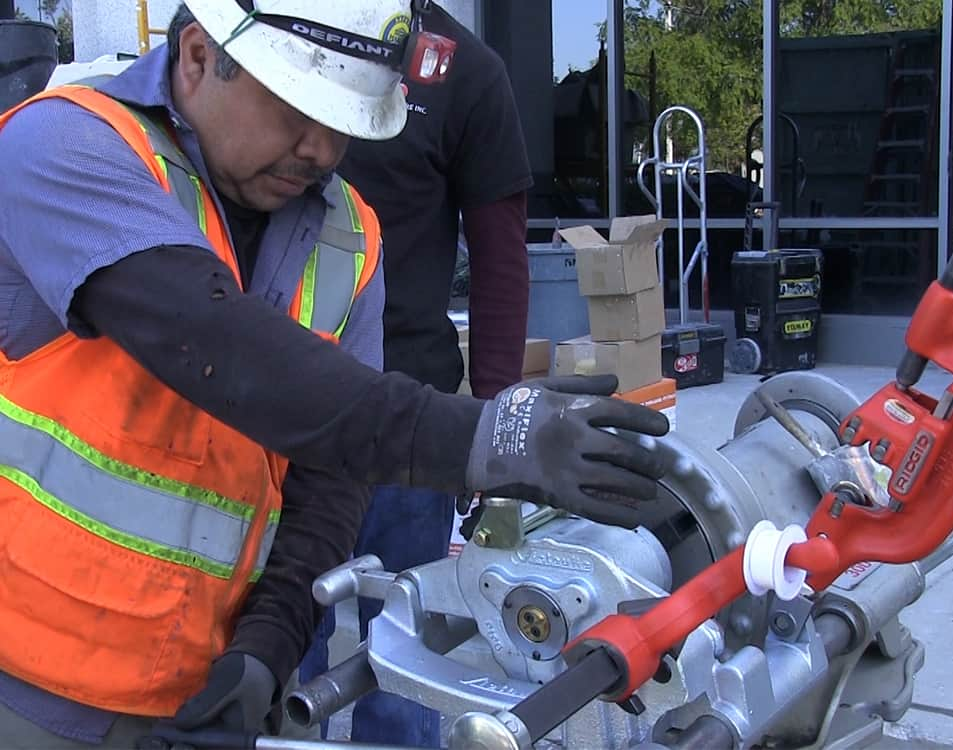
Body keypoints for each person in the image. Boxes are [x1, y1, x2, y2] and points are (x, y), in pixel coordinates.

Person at [0, 1, 669, 748]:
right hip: (30, 691)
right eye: (298, 107)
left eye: (346, 119)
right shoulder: (63, 144)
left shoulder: (348, 232)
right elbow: (221, 345)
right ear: (196, 55)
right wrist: (483, 434)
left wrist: (269, 646)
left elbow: (330, 478)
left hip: (201, 696)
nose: (320, 147)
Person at [298, 3, 534, 746]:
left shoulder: (466, 73)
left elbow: (501, 258)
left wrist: (496, 426)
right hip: (281, 406)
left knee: (401, 675)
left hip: (408, 423)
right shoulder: (287, 32)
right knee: (279, 664)